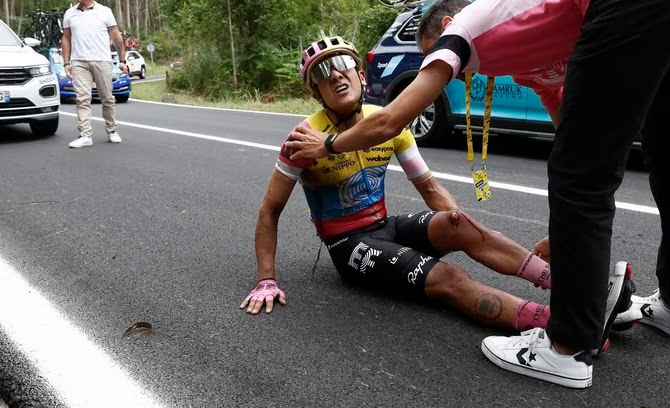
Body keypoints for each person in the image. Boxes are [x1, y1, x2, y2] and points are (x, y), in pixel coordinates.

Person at [286, 0, 670, 389]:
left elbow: (388, 122)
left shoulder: (463, 29)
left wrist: (326, 146)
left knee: (589, 174)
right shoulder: (530, 60)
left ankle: (566, 346)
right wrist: (564, 233)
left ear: (442, 30)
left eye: (429, 58)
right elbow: (578, 140)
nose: (449, 77)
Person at [239, 36, 635, 342]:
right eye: (322, 74)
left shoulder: (386, 123)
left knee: (460, 225)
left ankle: (581, 291)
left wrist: (452, 217)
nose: (335, 75)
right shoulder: (304, 139)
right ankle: (562, 325)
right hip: (350, 246)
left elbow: (427, 185)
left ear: (360, 74)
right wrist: (266, 279)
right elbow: (269, 211)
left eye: (343, 65)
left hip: (385, 225)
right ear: (316, 92)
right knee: (449, 277)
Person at [61, 0, 127, 148]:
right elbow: (66, 39)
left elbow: (116, 37)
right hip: (79, 61)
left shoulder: (105, 11)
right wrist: (66, 62)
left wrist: (122, 59)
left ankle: (112, 130)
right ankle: (85, 135)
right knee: (82, 99)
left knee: (107, 98)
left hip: (102, 60)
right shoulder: (70, 14)